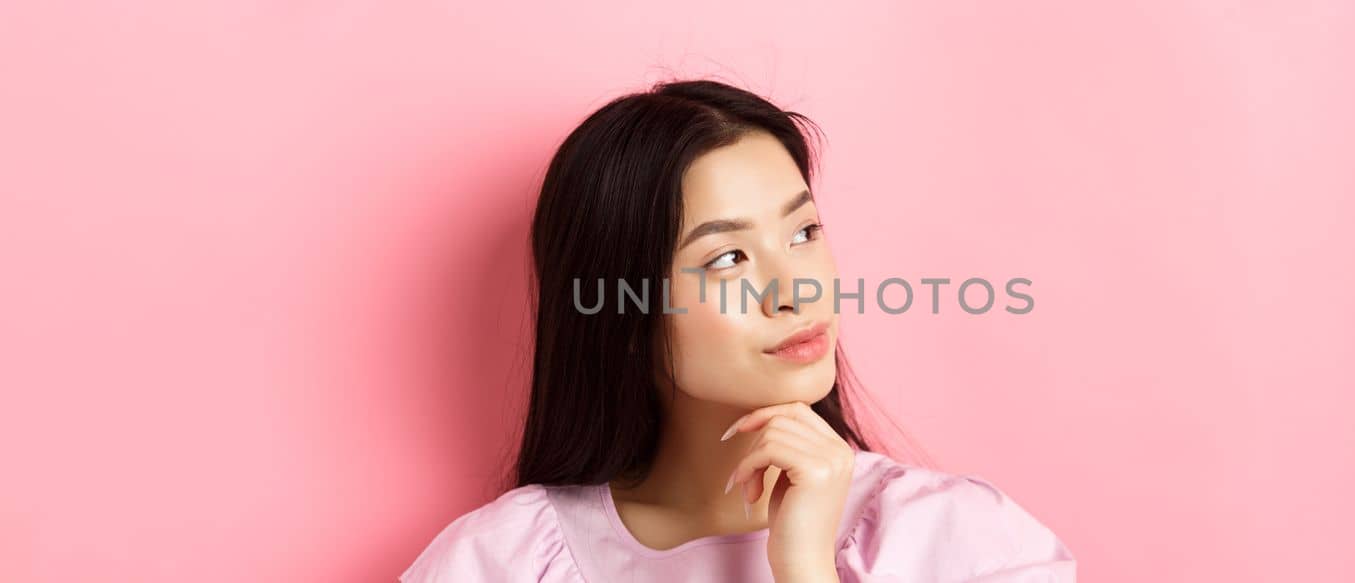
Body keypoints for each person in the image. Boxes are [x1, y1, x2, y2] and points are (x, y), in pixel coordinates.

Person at [400, 78, 1075, 582]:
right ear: (623, 314)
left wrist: (806, 564)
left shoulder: (961, 541)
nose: (795, 289)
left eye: (804, 231)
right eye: (728, 258)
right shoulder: (498, 562)